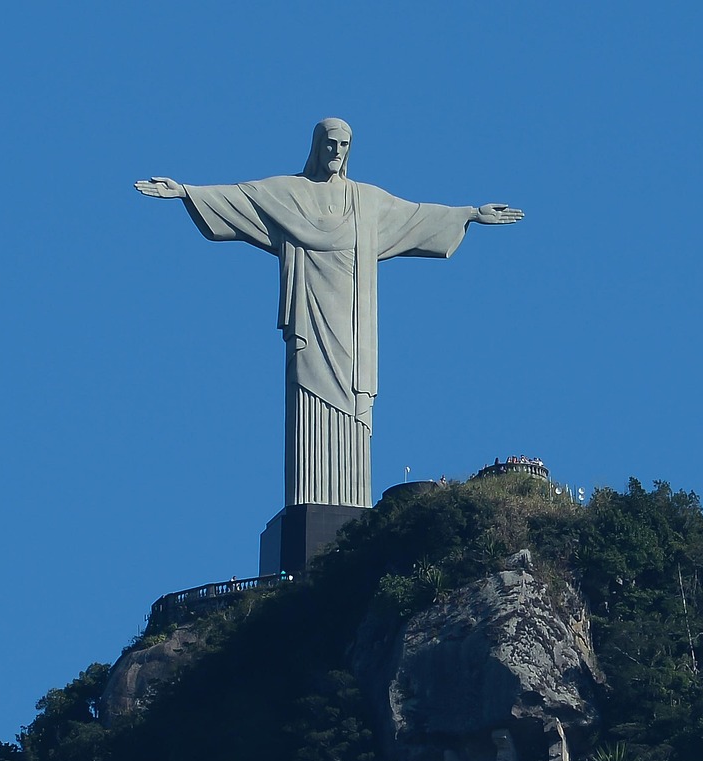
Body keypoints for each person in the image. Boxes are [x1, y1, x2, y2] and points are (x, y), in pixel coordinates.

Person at [135, 118, 522, 508]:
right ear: (317, 146)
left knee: (353, 407)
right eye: (329, 144)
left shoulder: (367, 201)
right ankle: (310, 501)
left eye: (343, 145)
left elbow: (416, 215)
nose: (336, 152)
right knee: (308, 394)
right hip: (310, 319)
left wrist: (469, 214)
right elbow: (240, 198)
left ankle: (351, 502)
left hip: (353, 329)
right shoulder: (288, 193)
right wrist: (186, 191)